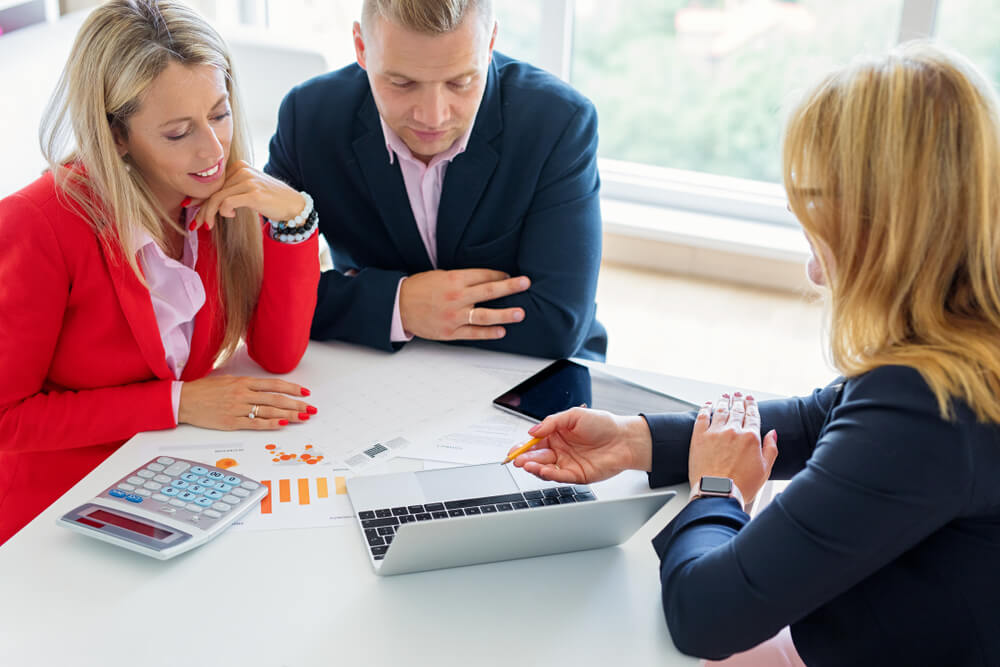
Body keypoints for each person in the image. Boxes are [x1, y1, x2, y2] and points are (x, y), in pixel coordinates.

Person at [509, 43, 1000, 666]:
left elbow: (706, 616)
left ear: (891, 224)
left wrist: (716, 489)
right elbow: (828, 416)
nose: (815, 270)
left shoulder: (928, 405)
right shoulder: (965, 339)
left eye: (821, 218)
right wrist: (638, 441)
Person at [0, 0, 321, 546]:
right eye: (178, 132)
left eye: (220, 113)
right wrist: (179, 402)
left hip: (168, 480)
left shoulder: (221, 194)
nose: (214, 148)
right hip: (52, 517)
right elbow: (8, 418)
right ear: (117, 137)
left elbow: (277, 353)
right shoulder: (35, 225)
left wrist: (295, 218)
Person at [264, 0, 607, 360]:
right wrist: (400, 306)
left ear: (489, 43)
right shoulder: (309, 118)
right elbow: (254, 288)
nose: (433, 115)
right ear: (362, 47)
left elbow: (558, 322)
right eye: (402, 82)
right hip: (373, 364)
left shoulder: (557, 122)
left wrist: (364, 301)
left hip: (533, 374)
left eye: (460, 82)